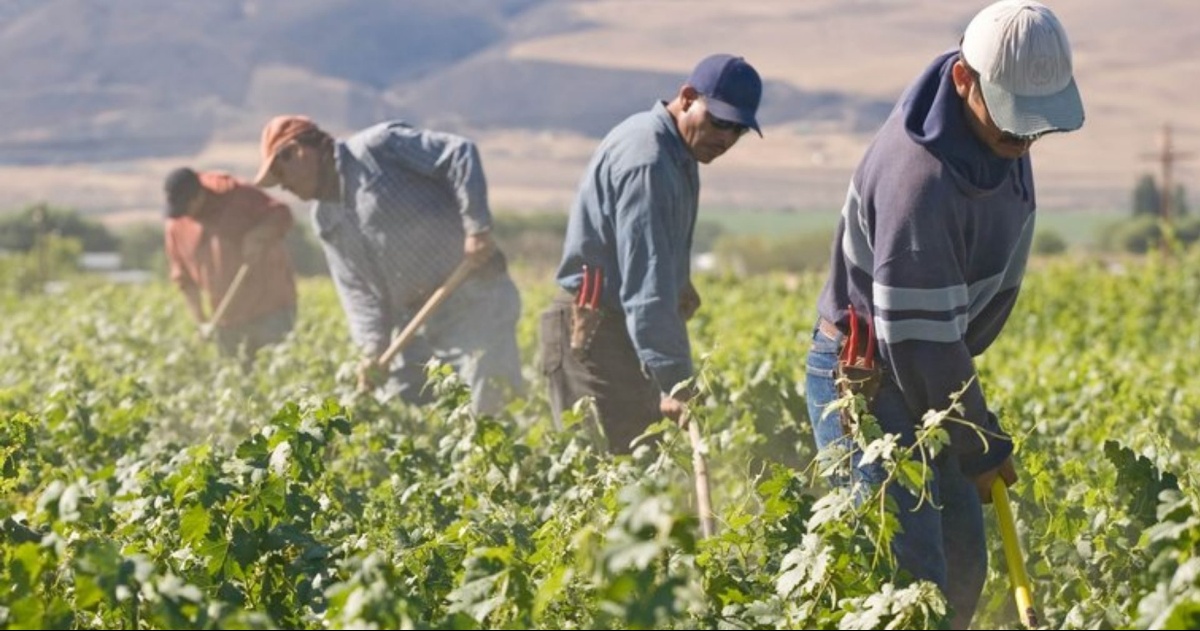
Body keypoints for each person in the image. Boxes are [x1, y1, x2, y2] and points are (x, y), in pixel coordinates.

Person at [804, 0, 1084, 625]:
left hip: (932, 370)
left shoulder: (992, 128)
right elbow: (921, 343)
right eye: (1014, 123)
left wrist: (972, 434)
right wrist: (980, 445)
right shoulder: (919, 181)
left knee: (962, 566)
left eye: (1036, 125)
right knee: (911, 580)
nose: (1024, 140)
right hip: (870, 379)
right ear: (964, 80)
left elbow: (936, 342)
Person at [539, 53, 763, 454]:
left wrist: (682, 284)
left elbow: (657, 261)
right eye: (720, 122)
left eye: (739, 131)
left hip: (621, 330)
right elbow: (647, 287)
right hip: (591, 331)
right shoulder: (649, 160)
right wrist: (677, 383)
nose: (726, 139)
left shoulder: (680, 151)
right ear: (688, 97)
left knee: (638, 476)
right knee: (609, 481)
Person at [252, 115, 523, 415]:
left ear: (298, 151)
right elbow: (357, 290)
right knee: (400, 410)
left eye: (280, 171)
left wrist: (477, 229)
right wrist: (373, 350)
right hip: (414, 320)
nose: (283, 186)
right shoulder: (325, 219)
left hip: (470, 296)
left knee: (489, 408)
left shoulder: (378, 149)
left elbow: (458, 153)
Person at [163, 167, 298, 361]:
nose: (185, 214)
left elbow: (282, 215)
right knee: (238, 381)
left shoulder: (238, 196)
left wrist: (258, 236)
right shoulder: (176, 224)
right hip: (227, 319)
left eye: (187, 207)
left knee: (277, 372)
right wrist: (201, 321)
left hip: (271, 308)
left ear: (199, 196)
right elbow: (184, 280)